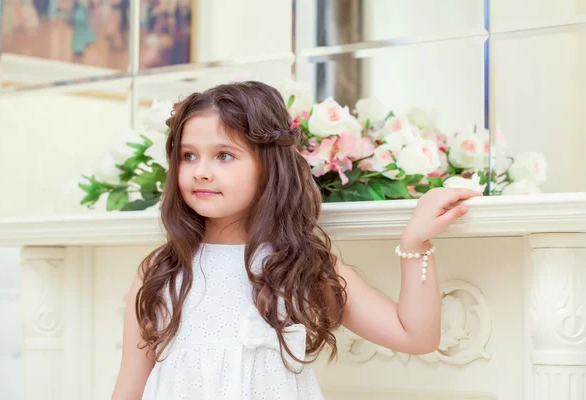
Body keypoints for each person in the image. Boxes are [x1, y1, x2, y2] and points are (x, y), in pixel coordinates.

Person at [111, 81, 482, 399]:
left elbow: (416, 336)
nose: (201, 172)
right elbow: (130, 388)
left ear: (268, 164)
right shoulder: (162, 271)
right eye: (188, 156)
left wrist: (415, 244)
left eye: (224, 155)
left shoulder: (299, 266)